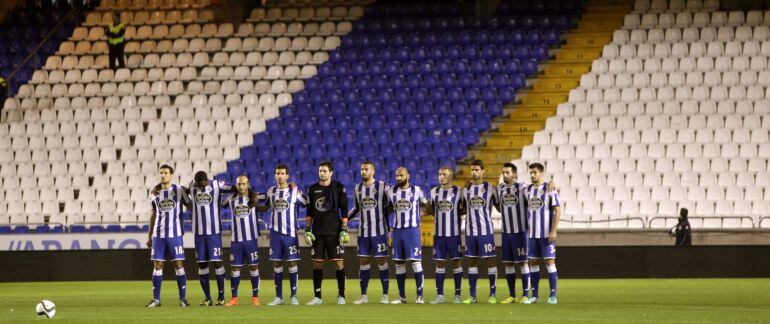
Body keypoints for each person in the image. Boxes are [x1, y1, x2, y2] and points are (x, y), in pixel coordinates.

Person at [256, 164, 306, 306]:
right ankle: (279, 297)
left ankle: (294, 296)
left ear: (287, 176)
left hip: (290, 234)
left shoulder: (295, 190)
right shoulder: (271, 191)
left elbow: (305, 202)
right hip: (275, 234)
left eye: (282, 173)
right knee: (277, 264)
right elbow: (265, 207)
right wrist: (253, 206)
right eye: (278, 173)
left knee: (292, 263)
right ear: (275, 175)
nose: (280, 176)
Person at [145, 165, 192, 307]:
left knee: (178, 265)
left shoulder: (179, 190)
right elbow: (153, 214)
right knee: (158, 265)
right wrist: (149, 236)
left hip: (175, 235)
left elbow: (190, 206)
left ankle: (183, 299)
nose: (163, 175)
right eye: (161, 173)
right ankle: (156, 299)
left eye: (166, 173)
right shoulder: (154, 193)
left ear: (171, 175)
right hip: (158, 236)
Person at [305, 161, 349, 305]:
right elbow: (309, 212)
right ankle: (317, 296)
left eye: (324, 171)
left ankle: (341, 295)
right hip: (317, 232)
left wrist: (344, 229)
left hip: (334, 232)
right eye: (320, 171)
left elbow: (344, 209)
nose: (322, 173)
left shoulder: (338, 187)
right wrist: (307, 229)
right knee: (317, 264)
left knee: (339, 264)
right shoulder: (312, 189)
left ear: (331, 172)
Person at [348, 161, 393, 304]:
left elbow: (392, 203)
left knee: (382, 261)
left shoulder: (382, 186)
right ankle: (363, 295)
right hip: (363, 232)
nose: (363, 172)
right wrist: (344, 220)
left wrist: (388, 223)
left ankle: (385, 294)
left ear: (373, 171)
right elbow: (356, 208)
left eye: (366, 169)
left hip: (379, 231)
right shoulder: (357, 188)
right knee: (364, 261)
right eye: (362, 169)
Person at [521, 163, 561, 305]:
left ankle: (553, 296)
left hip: (546, 234)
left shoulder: (550, 189)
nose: (532, 175)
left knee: (549, 262)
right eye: (531, 172)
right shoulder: (527, 190)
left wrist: (554, 230)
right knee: (533, 262)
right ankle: (535, 296)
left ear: (541, 173)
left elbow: (557, 210)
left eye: (535, 172)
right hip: (532, 235)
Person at [387, 167, 428, 304]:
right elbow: (387, 209)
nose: (398, 178)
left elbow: (427, 206)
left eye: (401, 175)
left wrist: (421, 215)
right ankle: (402, 297)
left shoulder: (416, 190)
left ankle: (420, 296)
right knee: (399, 263)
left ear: (408, 176)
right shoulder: (391, 192)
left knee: (416, 262)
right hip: (397, 231)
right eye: (397, 176)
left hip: (412, 231)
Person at [461, 160, 499, 304]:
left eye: (477, 169)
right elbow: (463, 208)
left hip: (486, 231)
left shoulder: (490, 189)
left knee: (491, 261)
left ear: (483, 171)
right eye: (472, 170)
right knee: (472, 261)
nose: (474, 172)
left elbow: (500, 207)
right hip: (470, 232)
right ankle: (472, 296)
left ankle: (493, 294)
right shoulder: (466, 190)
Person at [426, 166, 465, 304]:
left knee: (456, 262)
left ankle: (458, 295)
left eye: (444, 174)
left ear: (451, 176)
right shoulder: (434, 192)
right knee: (440, 263)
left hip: (454, 235)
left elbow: (464, 208)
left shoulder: (459, 191)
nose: (440, 176)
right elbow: (431, 209)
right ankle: (440, 295)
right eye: (439, 174)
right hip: (439, 235)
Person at [224, 175, 263, 306]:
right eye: (239, 184)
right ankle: (234, 298)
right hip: (236, 240)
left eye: (244, 184)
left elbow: (272, 195)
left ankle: (255, 297)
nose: (241, 186)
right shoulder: (230, 200)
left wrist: (292, 187)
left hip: (251, 240)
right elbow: (217, 202)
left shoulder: (255, 198)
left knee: (253, 267)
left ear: (248, 184)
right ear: (236, 185)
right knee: (235, 269)